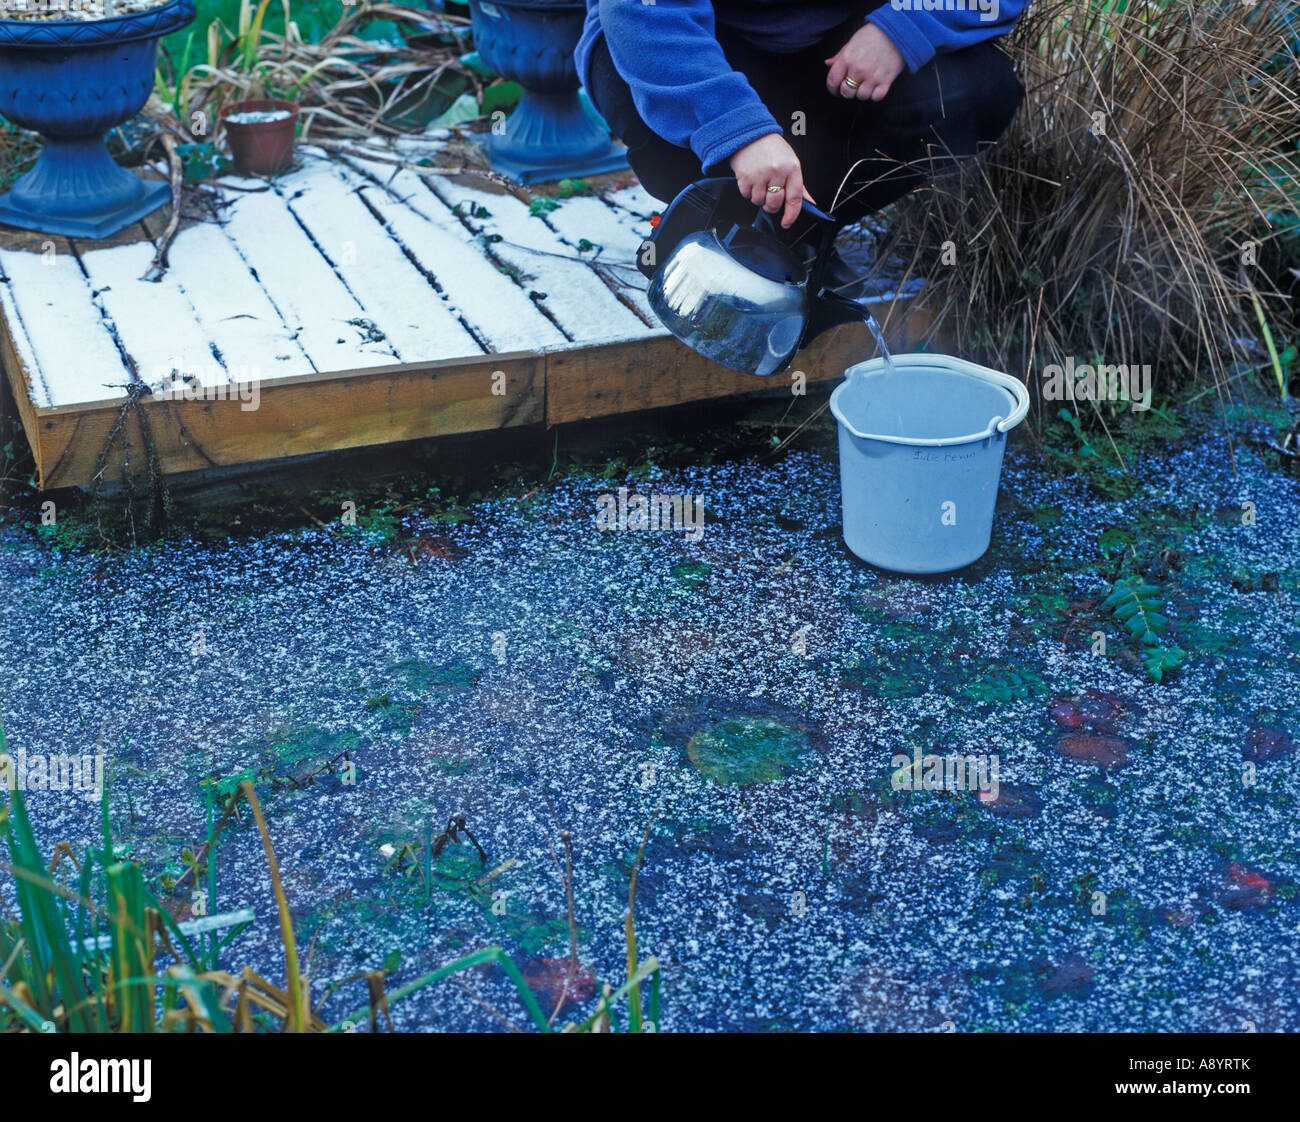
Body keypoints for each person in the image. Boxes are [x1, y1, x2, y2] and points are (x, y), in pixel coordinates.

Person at [577, 0, 1028, 240]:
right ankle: (729, 226)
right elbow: (644, 9)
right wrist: (738, 129)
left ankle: (801, 232)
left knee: (977, 88)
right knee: (632, 84)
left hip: (841, 55)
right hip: (694, 49)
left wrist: (904, 27)